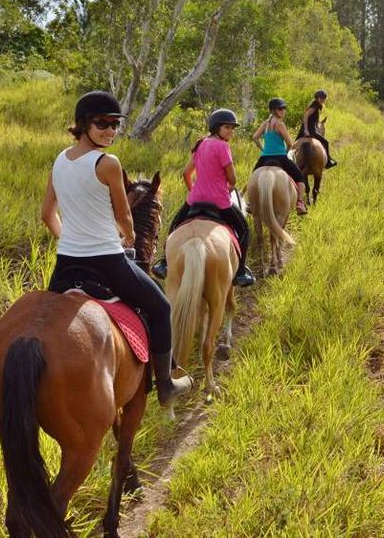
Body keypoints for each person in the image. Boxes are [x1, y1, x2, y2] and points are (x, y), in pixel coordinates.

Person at [41, 90, 193, 408]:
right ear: (83, 124)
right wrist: (129, 236)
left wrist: (68, 239)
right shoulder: (108, 163)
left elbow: (47, 214)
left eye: (115, 124)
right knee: (160, 307)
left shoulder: (59, 159)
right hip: (107, 261)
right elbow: (124, 216)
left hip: (66, 265)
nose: (110, 130)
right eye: (102, 123)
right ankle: (166, 386)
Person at [151, 109, 255, 287]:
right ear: (217, 127)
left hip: (195, 200)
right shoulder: (223, 146)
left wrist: (195, 190)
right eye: (227, 127)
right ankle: (240, 273)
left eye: (232, 128)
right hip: (220, 202)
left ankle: (164, 262)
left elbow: (186, 173)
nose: (230, 131)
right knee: (244, 229)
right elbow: (233, 179)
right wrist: (227, 187)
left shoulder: (201, 144)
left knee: (175, 225)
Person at [252, 98, 308, 215]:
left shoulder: (265, 124)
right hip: (280, 158)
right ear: (273, 110)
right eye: (280, 108)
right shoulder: (280, 124)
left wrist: (263, 149)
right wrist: (286, 152)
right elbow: (290, 143)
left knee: (253, 178)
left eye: (284, 108)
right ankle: (300, 202)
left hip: (264, 158)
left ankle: (250, 203)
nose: (283, 110)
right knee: (299, 177)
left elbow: (255, 137)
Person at [297, 89, 337, 168]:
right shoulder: (315, 106)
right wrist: (306, 129)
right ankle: (328, 161)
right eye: (321, 98)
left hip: (306, 129)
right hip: (310, 129)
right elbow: (306, 116)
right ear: (317, 98)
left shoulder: (314, 104)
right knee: (326, 142)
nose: (322, 100)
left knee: (294, 146)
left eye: (323, 98)